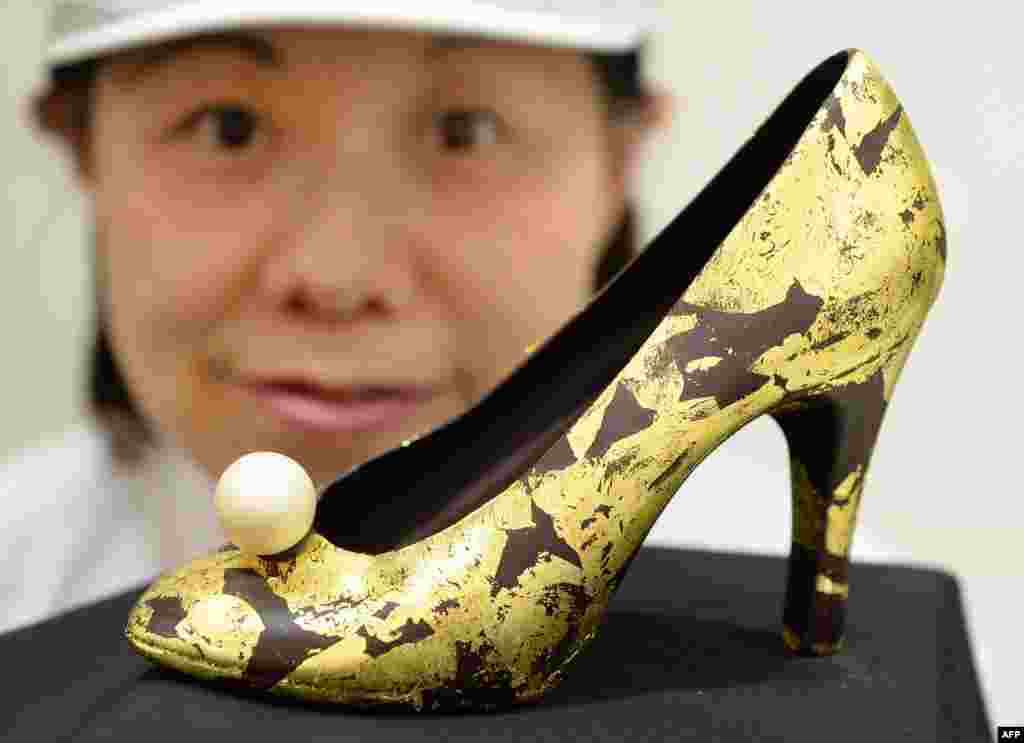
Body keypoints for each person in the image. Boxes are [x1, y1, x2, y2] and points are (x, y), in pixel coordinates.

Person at [1, 2, 674, 634]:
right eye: (229, 126)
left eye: (465, 131)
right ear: (80, 144)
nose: (336, 279)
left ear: (619, 162)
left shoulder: (755, 615)